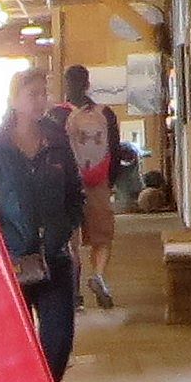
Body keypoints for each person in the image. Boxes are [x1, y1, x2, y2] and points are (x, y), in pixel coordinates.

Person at [0, 66, 83, 380]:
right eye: (32, 94)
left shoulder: (57, 142)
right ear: (14, 99)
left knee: (59, 341)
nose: (40, 100)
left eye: (43, 94)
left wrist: (66, 226)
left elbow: (74, 192)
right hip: (13, 260)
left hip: (55, 257)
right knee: (13, 344)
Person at [57, 64, 127, 312]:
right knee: (102, 237)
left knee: (71, 240)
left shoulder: (56, 115)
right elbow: (115, 152)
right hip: (97, 182)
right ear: (87, 84)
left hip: (68, 185)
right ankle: (98, 275)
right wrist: (108, 181)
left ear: (66, 84)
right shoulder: (106, 114)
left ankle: (74, 294)